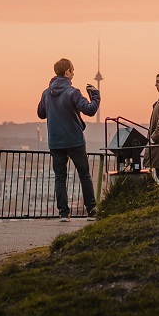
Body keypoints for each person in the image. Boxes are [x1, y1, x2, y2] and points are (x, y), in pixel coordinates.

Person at [37, 57, 101, 218]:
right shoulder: (73, 92)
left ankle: (64, 213)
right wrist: (95, 95)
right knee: (84, 175)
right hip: (74, 140)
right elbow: (90, 110)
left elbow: (40, 114)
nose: (74, 73)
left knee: (60, 177)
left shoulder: (47, 93)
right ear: (67, 72)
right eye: (73, 70)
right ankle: (91, 210)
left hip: (55, 142)